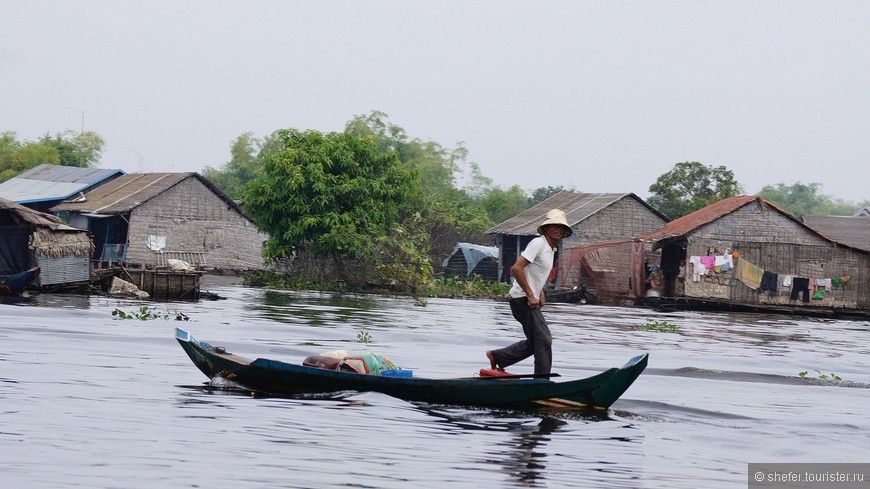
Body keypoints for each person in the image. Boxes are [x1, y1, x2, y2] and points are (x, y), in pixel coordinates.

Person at [486, 209, 573, 375]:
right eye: (554, 226)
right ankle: (541, 381)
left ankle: (498, 357)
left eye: (561, 227)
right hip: (522, 299)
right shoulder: (538, 244)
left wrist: (539, 292)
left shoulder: (551, 249)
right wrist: (531, 294)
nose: (558, 229)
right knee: (544, 340)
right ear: (546, 228)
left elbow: (534, 273)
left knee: (535, 343)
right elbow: (517, 268)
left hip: (526, 299)